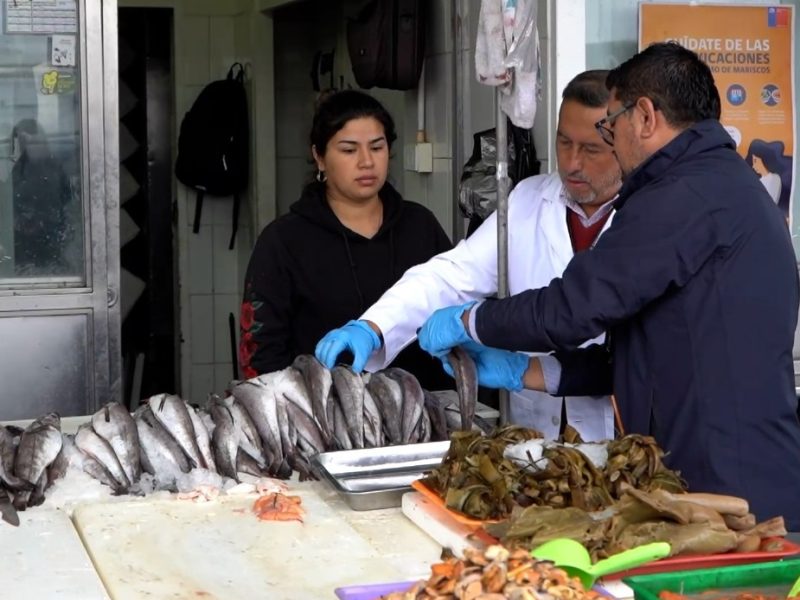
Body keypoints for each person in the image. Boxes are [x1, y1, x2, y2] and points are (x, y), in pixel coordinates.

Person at [416, 42, 800, 529]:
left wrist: (472, 318)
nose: (610, 141)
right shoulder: (718, 184)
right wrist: (529, 372)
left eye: (607, 127)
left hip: (730, 487)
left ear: (644, 116)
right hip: (724, 471)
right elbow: (651, 355)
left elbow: (573, 309)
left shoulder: (684, 196)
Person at [316, 70, 623, 440]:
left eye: (591, 149)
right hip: (533, 436)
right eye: (563, 142)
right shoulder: (527, 200)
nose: (572, 163)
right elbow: (451, 275)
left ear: (624, 142)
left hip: (619, 429)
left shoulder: (647, 218)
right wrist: (373, 327)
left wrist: (512, 359)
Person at [239, 89, 452, 389]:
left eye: (376, 148)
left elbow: (457, 307)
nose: (366, 162)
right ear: (319, 157)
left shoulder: (420, 225)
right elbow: (261, 352)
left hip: (424, 416)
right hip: (320, 422)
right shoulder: (284, 241)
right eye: (349, 150)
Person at [11, 119, 72, 275]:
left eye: (33, 142)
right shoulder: (16, 171)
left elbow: (66, 199)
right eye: (23, 142)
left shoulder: (54, 168)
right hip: (25, 245)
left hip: (48, 239)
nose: (28, 147)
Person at [744, 138, 791, 212]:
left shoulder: (776, 179)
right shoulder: (758, 181)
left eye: (755, 161)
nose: (753, 166)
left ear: (764, 159)